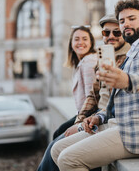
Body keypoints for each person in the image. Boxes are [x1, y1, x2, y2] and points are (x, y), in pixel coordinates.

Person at [51, 0, 139, 171]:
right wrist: (99, 117)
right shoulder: (131, 53)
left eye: (132, 19)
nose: (126, 24)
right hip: (120, 123)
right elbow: (115, 101)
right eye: (122, 21)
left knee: (68, 159)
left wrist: (126, 80)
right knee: (57, 149)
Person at [37, 16, 130, 171]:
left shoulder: (124, 61)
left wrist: (80, 124)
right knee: (58, 139)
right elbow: (93, 96)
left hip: (104, 119)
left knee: (57, 146)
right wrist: (80, 121)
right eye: (106, 33)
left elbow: (105, 102)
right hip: (96, 116)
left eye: (116, 33)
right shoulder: (102, 60)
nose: (111, 36)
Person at [37, 25, 97, 171]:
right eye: (76, 39)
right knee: (58, 132)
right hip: (81, 113)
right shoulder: (80, 63)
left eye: (84, 39)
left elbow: (94, 97)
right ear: (71, 43)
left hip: (90, 115)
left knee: (54, 146)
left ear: (91, 43)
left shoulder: (88, 62)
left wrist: (80, 124)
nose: (80, 42)